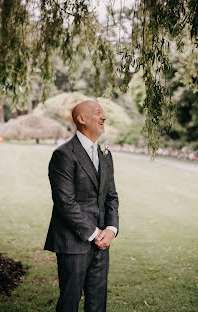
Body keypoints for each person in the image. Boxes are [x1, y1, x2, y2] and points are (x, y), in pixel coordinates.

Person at [44, 100, 119, 312]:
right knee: (69, 302)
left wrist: (111, 230)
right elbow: (65, 202)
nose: (103, 117)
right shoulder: (64, 155)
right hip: (73, 242)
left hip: (102, 241)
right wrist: (95, 233)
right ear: (82, 119)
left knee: (97, 302)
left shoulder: (106, 154)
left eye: (103, 113)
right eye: (98, 113)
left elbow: (111, 196)